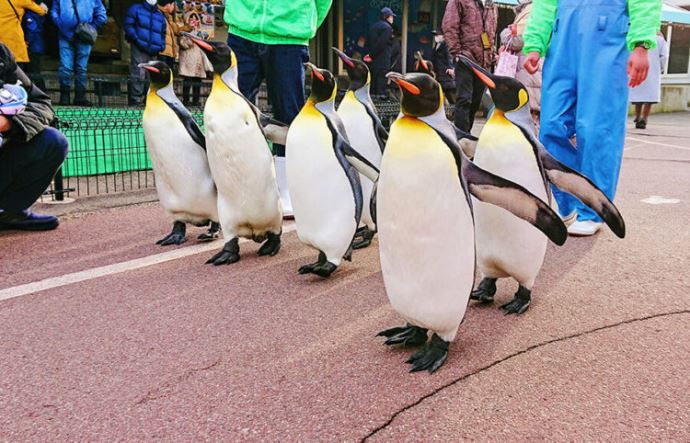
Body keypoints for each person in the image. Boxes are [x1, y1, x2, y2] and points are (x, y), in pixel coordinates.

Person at [523, 0, 661, 236]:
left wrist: (640, 44)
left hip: (609, 42)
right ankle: (567, 203)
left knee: (597, 130)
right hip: (562, 40)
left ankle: (594, 209)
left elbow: (645, 2)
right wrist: (535, 42)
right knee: (551, 126)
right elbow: (545, 3)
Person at [224, 0, 332, 217]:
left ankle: (287, 191)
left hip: (289, 36)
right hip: (241, 31)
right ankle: (233, 189)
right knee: (231, 114)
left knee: (288, 116)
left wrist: (303, 24)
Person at [0, 43, 69, 231]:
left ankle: (9, 211)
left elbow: (40, 102)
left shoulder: (1, 55)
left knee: (52, 142)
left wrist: (8, 124)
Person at [442, 0, 497, 133]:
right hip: (465, 59)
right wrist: (457, 52)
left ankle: (467, 132)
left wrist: (492, 53)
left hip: (483, 62)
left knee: (476, 101)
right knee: (464, 99)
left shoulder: (492, 5)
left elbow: (491, 32)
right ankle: (461, 136)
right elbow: (449, 25)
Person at [51, 0, 107, 106]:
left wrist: (88, 29)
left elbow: (102, 16)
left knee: (77, 67)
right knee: (68, 67)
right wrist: (61, 24)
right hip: (66, 36)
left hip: (80, 37)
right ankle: (69, 97)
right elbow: (54, 12)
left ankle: (75, 97)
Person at [498, 0, 542, 131]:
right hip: (531, 72)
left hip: (529, 74)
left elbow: (517, 40)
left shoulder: (532, 10)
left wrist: (505, 33)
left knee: (528, 120)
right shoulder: (533, 9)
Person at [124, 0, 166, 106]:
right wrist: (136, 39)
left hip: (154, 49)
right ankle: (135, 99)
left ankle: (148, 100)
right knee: (138, 72)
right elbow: (128, 25)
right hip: (139, 47)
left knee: (151, 76)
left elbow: (163, 32)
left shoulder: (159, 15)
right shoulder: (136, 8)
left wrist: (161, 45)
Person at [630, 31, 668, 130]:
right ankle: (644, 118)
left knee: (638, 96)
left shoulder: (638, 37)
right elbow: (665, 56)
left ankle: (637, 117)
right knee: (649, 98)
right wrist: (660, 67)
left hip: (639, 69)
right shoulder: (660, 40)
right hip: (653, 70)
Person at [0, 0, 47, 66]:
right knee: (15, 65)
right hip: (13, 36)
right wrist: (42, 5)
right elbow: (42, 11)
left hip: (1, 36)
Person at [366, 7, 395, 97]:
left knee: (373, 84)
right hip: (382, 60)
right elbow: (382, 43)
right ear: (387, 17)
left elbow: (369, 42)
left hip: (374, 62)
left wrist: (370, 55)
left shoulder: (374, 26)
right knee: (381, 86)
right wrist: (372, 55)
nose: (392, 19)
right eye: (391, 16)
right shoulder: (387, 28)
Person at [22, 4, 48, 92]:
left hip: (33, 46)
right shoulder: (37, 12)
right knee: (33, 71)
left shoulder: (30, 13)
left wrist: (27, 42)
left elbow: (31, 29)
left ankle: (41, 92)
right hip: (37, 45)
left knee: (33, 71)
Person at [177, 30, 206, 107]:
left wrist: (202, 38)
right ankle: (185, 100)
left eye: (196, 19)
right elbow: (184, 45)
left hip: (198, 63)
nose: (194, 21)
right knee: (188, 81)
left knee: (197, 82)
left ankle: (196, 101)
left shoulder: (200, 33)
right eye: (191, 19)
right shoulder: (184, 33)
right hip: (188, 62)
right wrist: (193, 37)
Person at [430, 30, 455, 104]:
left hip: (445, 74)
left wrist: (450, 67)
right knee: (439, 94)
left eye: (437, 35)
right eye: (435, 35)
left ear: (443, 36)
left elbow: (449, 56)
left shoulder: (446, 45)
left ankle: (455, 112)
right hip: (438, 73)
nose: (436, 37)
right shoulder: (437, 46)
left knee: (449, 95)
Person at [157, 0, 184, 68]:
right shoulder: (157, 14)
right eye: (173, 5)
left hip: (169, 53)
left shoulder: (168, 17)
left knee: (168, 75)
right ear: (168, 4)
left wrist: (189, 26)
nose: (174, 8)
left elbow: (176, 30)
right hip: (162, 52)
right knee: (162, 76)